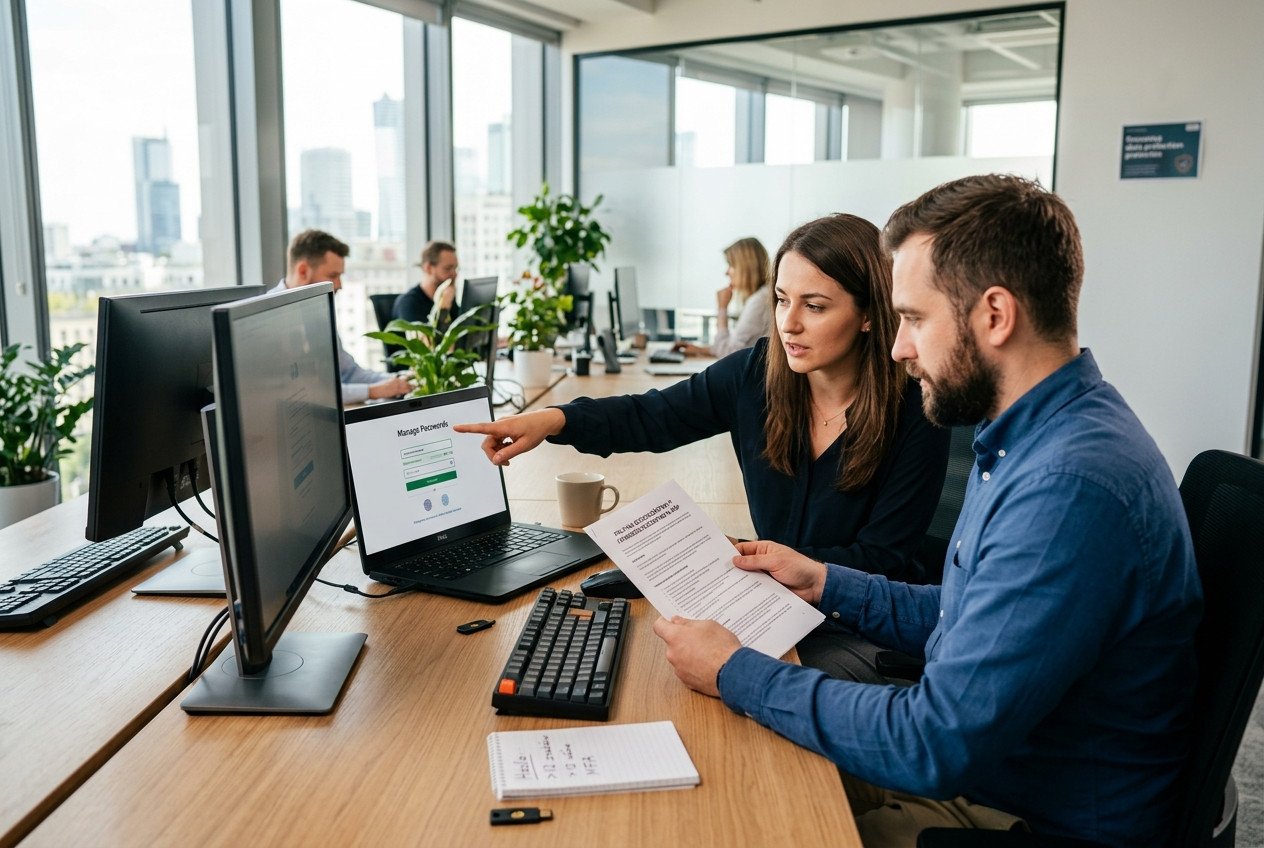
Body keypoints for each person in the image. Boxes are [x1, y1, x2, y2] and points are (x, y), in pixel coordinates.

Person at [652, 175, 1202, 845]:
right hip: (994, 776)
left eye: (913, 318)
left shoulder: (1067, 488)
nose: (897, 347)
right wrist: (825, 580)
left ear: (994, 315)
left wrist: (734, 670)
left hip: (1018, 817)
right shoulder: (1039, 434)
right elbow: (960, 616)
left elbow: (931, 745)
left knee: (730, 801)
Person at [455, 214, 950, 582]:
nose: (789, 323)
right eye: (781, 299)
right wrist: (555, 420)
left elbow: (884, 560)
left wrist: (757, 557)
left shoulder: (915, 409)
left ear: (868, 315)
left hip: (852, 617)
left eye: (814, 306)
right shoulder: (756, 373)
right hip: (767, 593)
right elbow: (652, 416)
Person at [276, 229, 411, 403]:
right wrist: (373, 391)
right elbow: (305, 393)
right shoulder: (271, 319)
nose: (339, 285)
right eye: (333, 276)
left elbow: (349, 372)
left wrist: (398, 380)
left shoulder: (319, 312)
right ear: (303, 271)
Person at [673, 236, 772, 358]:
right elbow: (735, 348)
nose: (727, 272)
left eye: (731, 265)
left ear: (745, 267)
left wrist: (722, 308)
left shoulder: (759, 301)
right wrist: (701, 349)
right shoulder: (762, 296)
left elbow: (728, 353)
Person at [393, 240, 460, 328]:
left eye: (455, 268)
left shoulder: (448, 298)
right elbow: (431, 340)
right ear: (428, 268)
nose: (454, 274)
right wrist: (443, 309)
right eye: (447, 268)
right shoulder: (408, 303)